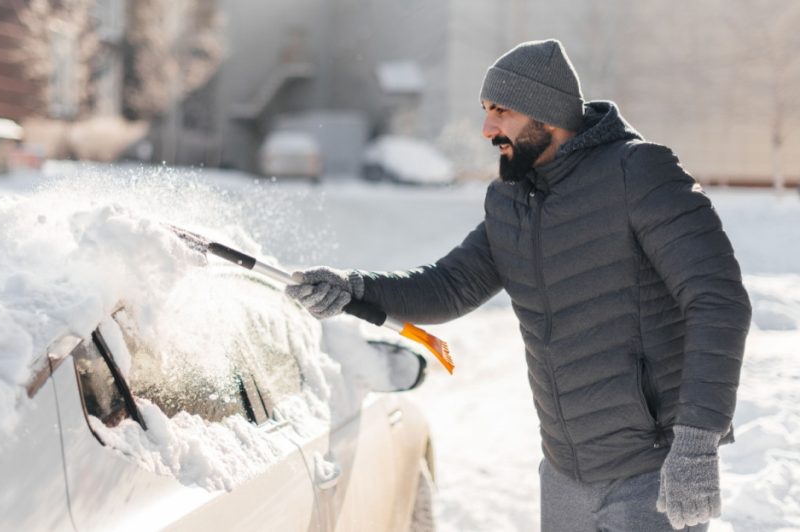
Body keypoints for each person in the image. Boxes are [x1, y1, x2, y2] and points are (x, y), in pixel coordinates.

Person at [285, 39, 751, 532]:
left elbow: (717, 301)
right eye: (486, 111)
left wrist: (697, 444)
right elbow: (450, 286)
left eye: (500, 111)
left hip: (649, 473)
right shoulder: (512, 200)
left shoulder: (638, 172)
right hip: (564, 474)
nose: (488, 128)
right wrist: (353, 289)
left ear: (545, 114)